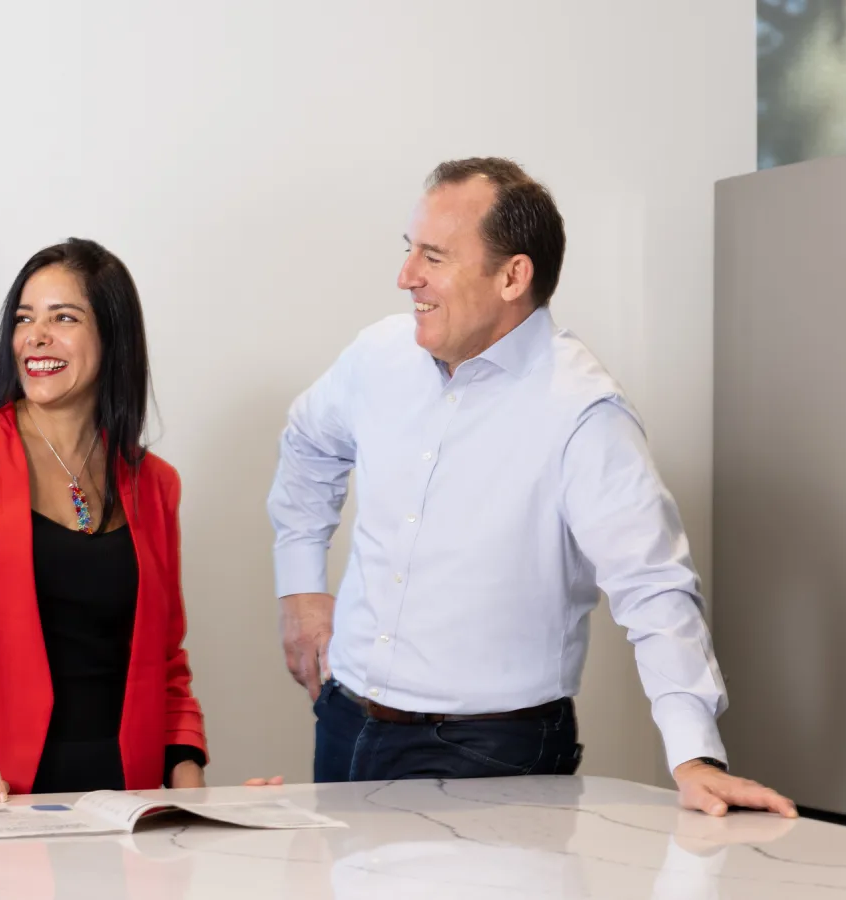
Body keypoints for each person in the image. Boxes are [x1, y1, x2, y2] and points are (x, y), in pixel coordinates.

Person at [267, 157, 796, 819]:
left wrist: (694, 754)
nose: (407, 277)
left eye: (433, 256)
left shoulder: (582, 413)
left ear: (513, 275)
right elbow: (308, 444)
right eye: (410, 251)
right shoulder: (378, 356)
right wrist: (301, 588)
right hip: (348, 725)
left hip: (491, 752)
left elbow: (654, 586)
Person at [0, 238, 261, 801]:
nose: (35, 335)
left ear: (113, 338)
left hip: (117, 802)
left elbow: (166, 663)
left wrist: (193, 792)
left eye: (64, 317)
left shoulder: (153, 484)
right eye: (25, 318)